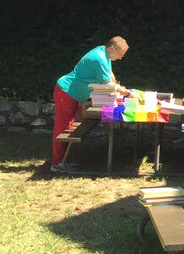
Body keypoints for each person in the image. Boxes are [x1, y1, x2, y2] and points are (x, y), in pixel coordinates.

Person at [51, 36, 131, 173]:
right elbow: (107, 85)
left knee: (69, 126)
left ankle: (64, 159)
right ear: (112, 48)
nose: (120, 58)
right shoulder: (99, 58)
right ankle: (57, 163)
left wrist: (116, 85)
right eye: (119, 55)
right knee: (63, 127)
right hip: (66, 92)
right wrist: (127, 93)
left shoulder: (103, 52)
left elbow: (110, 74)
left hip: (73, 94)